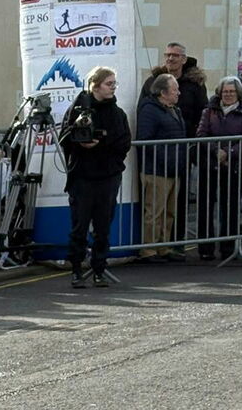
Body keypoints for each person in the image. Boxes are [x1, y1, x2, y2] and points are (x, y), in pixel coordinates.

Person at [60, 67, 131, 287]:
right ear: (95, 85)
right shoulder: (78, 110)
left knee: (103, 228)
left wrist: (101, 143)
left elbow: (124, 143)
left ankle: (99, 269)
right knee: (79, 227)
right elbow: (64, 138)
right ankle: (76, 270)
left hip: (108, 176)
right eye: (109, 83)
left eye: (114, 83)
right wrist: (80, 141)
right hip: (82, 176)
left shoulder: (117, 114)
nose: (113, 88)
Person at [195, 78, 242, 260]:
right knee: (205, 206)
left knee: (230, 207)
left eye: (231, 91)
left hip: (233, 167)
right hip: (209, 164)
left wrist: (228, 153)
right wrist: (216, 151)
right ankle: (206, 248)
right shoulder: (209, 111)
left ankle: (228, 248)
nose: (228, 94)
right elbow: (201, 134)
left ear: (238, 93)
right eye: (225, 91)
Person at [135, 73, 187, 262]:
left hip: (174, 169)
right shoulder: (149, 110)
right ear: (163, 92)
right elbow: (145, 139)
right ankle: (149, 249)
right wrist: (165, 160)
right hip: (156, 171)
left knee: (169, 211)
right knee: (154, 211)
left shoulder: (174, 110)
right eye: (175, 90)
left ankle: (163, 246)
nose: (178, 93)